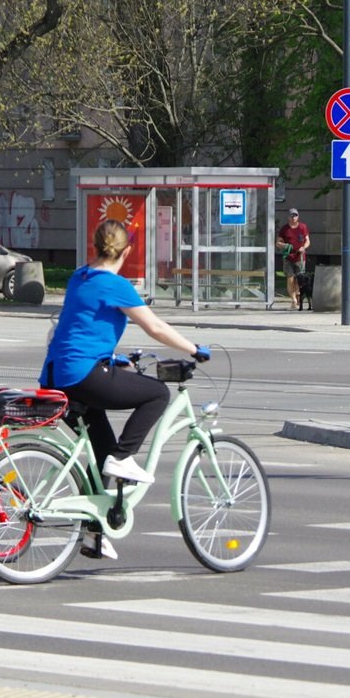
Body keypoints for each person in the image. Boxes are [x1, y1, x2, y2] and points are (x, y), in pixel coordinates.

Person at [40, 219, 210, 559]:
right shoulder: (114, 284)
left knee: (99, 451)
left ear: (95, 246)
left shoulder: (79, 277)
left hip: (56, 375)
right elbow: (155, 327)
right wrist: (193, 348)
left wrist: (113, 358)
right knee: (157, 394)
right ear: (127, 251)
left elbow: (81, 326)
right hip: (82, 374)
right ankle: (123, 458)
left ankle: (94, 533)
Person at [277, 207, 310, 310]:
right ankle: (293, 300)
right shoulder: (284, 229)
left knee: (299, 279)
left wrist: (303, 248)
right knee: (290, 278)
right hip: (288, 257)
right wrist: (285, 246)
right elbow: (278, 243)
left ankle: (298, 298)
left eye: (295, 215)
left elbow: (307, 241)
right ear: (288, 217)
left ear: (298, 216)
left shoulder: (303, 227)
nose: (294, 217)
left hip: (300, 257)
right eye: (292, 215)